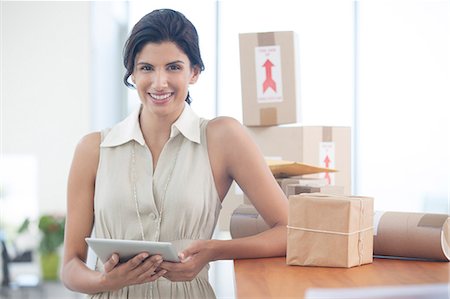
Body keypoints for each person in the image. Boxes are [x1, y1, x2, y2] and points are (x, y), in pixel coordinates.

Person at [61, 8, 288, 299]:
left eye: (173, 67)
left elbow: (288, 231)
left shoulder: (223, 138)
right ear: (131, 72)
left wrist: (212, 251)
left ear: (194, 72)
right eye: (146, 68)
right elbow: (71, 266)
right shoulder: (92, 149)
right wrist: (106, 281)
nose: (159, 83)